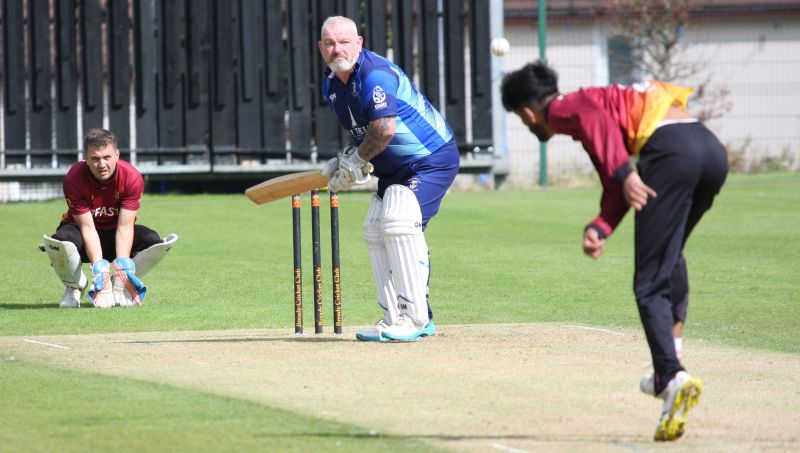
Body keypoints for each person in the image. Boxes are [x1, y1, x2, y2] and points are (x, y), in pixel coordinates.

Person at [500, 60, 728, 441]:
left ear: (528, 112)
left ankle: (671, 376)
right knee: (669, 257)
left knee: (649, 281)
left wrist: (626, 173)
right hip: (709, 150)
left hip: (671, 153)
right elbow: (616, 179)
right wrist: (601, 226)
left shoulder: (565, 107)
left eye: (522, 120)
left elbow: (597, 126)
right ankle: (668, 368)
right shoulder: (595, 105)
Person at [317, 16, 460, 342]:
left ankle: (416, 318)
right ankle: (393, 317)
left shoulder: (375, 74)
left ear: (359, 43)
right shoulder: (332, 86)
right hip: (395, 170)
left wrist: (357, 161)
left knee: (399, 221)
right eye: (330, 43)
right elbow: (363, 132)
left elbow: (383, 130)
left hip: (430, 159)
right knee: (375, 228)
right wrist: (344, 159)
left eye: (344, 42)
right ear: (320, 48)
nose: (337, 49)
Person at [42, 128, 178, 308]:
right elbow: (88, 228)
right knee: (60, 242)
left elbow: (125, 227)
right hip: (83, 235)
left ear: (117, 155)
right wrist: (99, 271)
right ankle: (74, 286)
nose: (102, 164)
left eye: (107, 157)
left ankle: (121, 283)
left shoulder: (132, 177)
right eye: (95, 159)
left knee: (154, 242)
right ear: (85, 159)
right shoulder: (73, 179)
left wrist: (122, 269)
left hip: (116, 234)